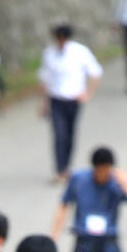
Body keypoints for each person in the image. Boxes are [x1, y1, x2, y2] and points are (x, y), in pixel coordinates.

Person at [38, 24, 102, 182]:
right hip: (56, 99)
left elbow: (95, 72)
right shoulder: (49, 54)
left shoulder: (80, 52)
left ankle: (67, 167)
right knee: (59, 134)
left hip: (74, 99)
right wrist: (44, 102)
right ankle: (59, 169)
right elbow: (45, 79)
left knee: (70, 134)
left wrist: (88, 93)